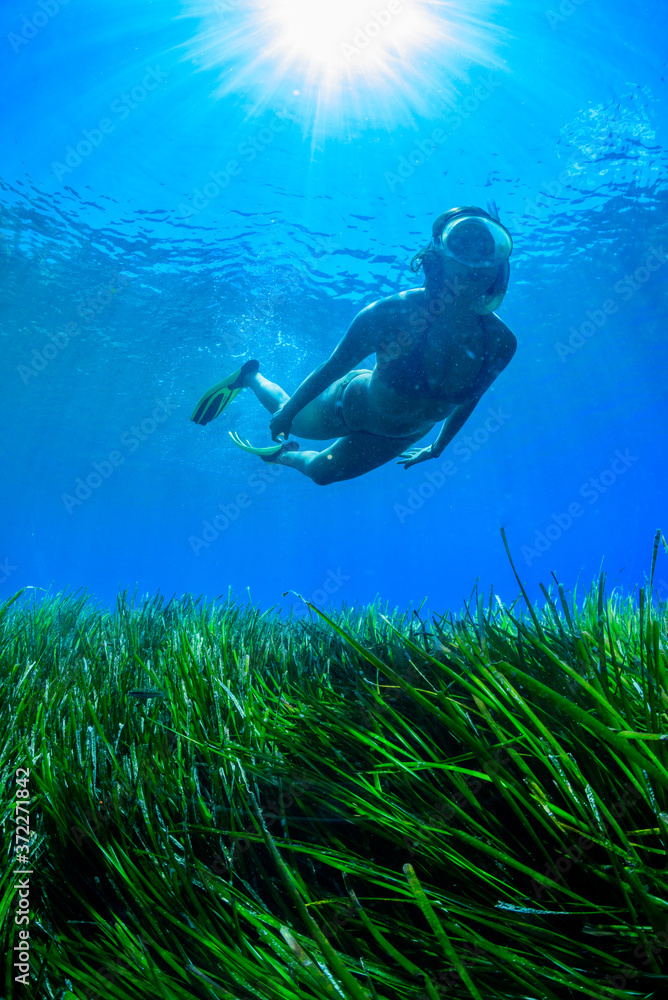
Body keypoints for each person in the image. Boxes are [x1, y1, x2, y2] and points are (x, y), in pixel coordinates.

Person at [190, 205, 517, 485]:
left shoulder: (501, 343)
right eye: (463, 245)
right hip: (349, 408)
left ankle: (283, 457)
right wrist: (288, 413)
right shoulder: (391, 314)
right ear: (439, 255)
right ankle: (251, 378)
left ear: (498, 265)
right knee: (286, 417)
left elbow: (470, 399)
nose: (475, 263)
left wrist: (438, 447)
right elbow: (332, 368)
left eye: (486, 250)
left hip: (401, 436)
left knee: (321, 475)